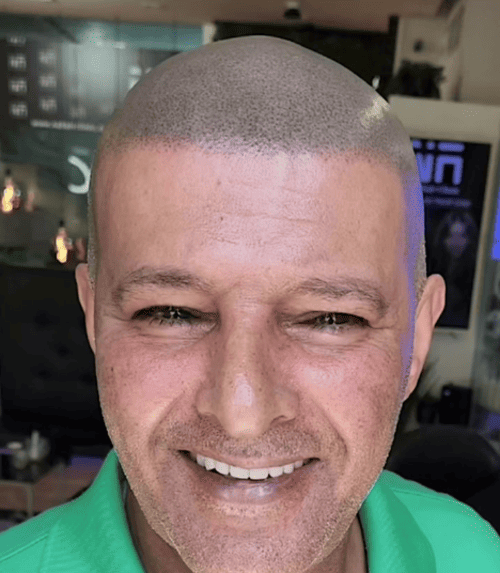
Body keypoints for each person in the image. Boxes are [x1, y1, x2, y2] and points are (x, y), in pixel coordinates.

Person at [0, 35, 498, 573]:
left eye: (330, 319)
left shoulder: (474, 552)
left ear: (417, 339)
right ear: (94, 318)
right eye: (171, 313)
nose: (242, 415)